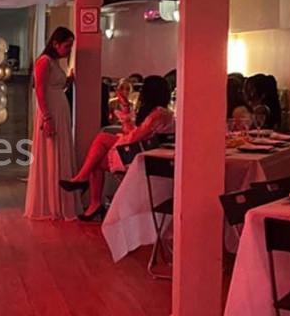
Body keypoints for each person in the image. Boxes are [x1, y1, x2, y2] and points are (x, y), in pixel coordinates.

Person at [60, 74, 176, 220]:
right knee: (96, 160)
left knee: (101, 142)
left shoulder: (159, 114)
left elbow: (134, 137)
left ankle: (82, 181)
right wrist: (125, 107)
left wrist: (119, 139)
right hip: (143, 150)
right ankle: (93, 201)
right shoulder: (157, 113)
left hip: (147, 156)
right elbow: (133, 134)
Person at [24, 27, 78, 220]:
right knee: (50, 151)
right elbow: (39, 91)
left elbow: (56, 85)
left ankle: (60, 199)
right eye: (66, 45)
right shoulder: (44, 61)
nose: (68, 49)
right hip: (50, 111)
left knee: (60, 150)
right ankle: (49, 202)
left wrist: (69, 80)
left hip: (60, 108)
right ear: (55, 44)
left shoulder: (55, 62)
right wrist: (47, 117)